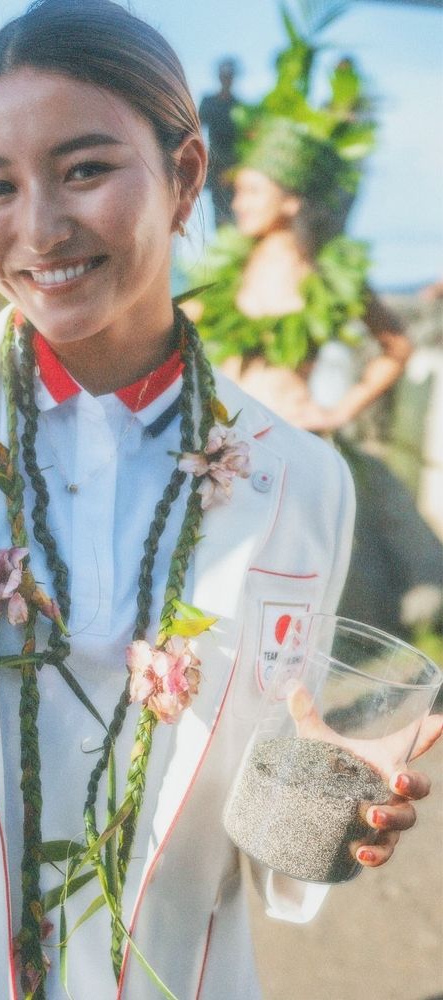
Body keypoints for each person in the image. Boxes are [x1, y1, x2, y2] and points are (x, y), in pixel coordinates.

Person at [0, 3, 441, 999]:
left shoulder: (299, 480)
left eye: (84, 170)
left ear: (185, 173)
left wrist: (323, 800)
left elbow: (256, 825)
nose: (38, 227)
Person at [186, 20, 443, 640]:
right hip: (224, 447)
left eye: (252, 188)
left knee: (288, 599)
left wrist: (341, 408)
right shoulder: (224, 270)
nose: (238, 198)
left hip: (296, 448)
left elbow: (396, 346)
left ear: (292, 200)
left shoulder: (331, 276)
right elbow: (174, 332)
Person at [198, 57, 241, 228]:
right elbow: (196, 128)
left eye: (229, 75)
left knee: (235, 211)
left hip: (234, 166)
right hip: (215, 164)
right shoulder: (208, 102)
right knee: (220, 215)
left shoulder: (238, 106)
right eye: (224, 75)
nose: (227, 79)